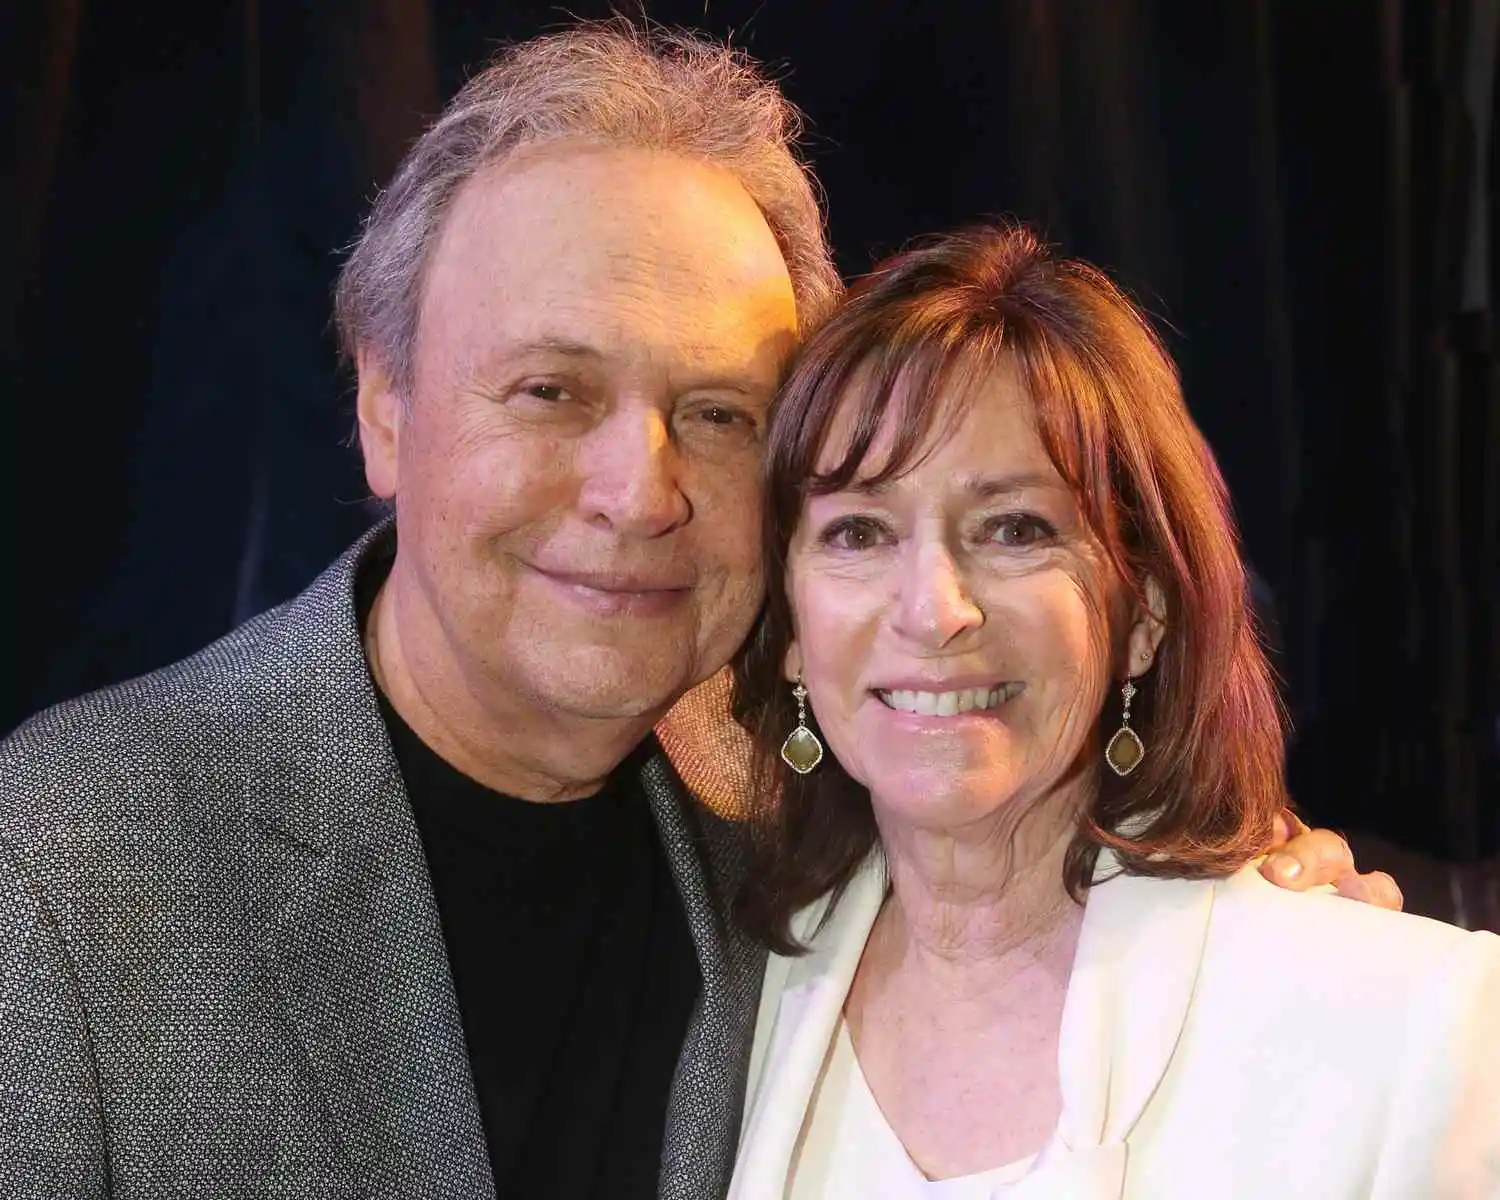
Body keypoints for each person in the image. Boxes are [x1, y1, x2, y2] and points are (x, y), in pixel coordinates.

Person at [0, 21, 1397, 1200]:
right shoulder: (64, 865)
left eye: (719, 413)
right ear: (383, 405)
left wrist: (1265, 934)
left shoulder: (801, 823)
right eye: (552, 392)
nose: (640, 493)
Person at [728, 222, 1500, 1198]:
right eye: (859, 532)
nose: (932, 609)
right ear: (790, 625)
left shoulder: (1415, 1029)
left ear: (1145, 615)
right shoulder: (728, 1005)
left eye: (1014, 528)